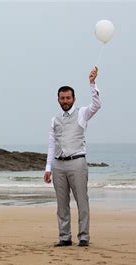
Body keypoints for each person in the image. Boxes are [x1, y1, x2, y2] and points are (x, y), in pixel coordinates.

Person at [43, 66, 101, 247]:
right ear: (58, 100)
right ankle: (64, 237)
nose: (65, 100)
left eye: (68, 98)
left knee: (82, 201)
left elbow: (97, 105)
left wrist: (92, 83)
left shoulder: (82, 113)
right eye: (63, 98)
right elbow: (52, 145)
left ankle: (83, 236)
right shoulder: (54, 120)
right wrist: (48, 168)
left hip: (77, 163)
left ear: (74, 99)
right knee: (62, 204)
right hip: (59, 165)